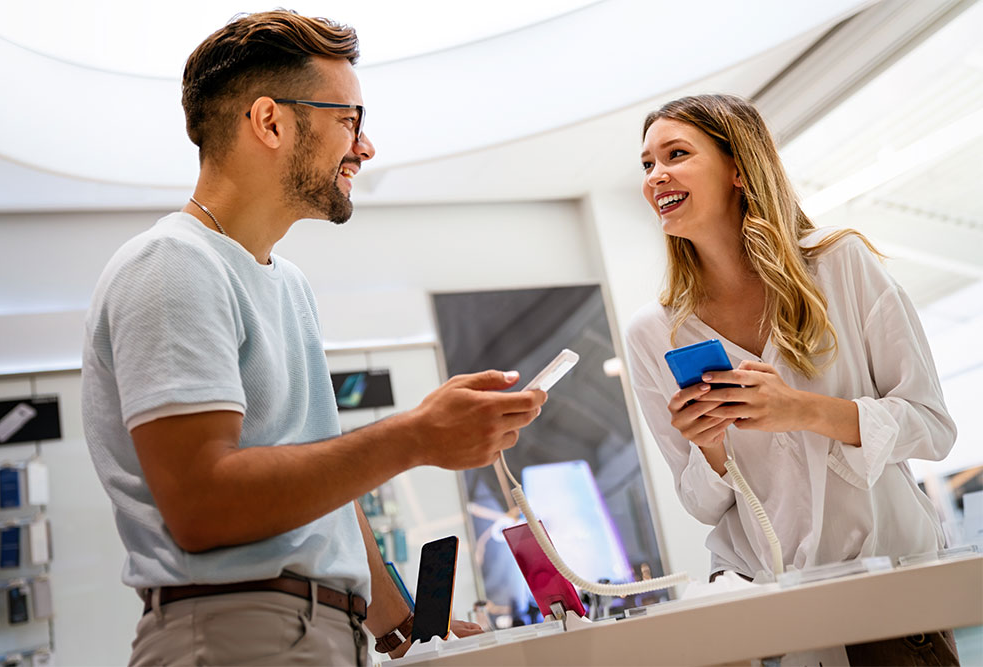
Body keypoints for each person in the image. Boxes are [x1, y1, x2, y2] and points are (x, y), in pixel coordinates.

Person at [80, 10, 546, 666]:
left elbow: (321, 497)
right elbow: (203, 502)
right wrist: (414, 436)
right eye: (349, 120)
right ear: (271, 121)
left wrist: (403, 625)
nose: (366, 146)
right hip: (236, 635)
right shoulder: (171, 264)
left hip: (318, 631)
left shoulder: (288, 284)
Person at [624, 94, 960, 665]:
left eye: (676, 154)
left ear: (738, 168)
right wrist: (708, 448)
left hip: (886, 601)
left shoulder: (841, 265)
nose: (657, 176)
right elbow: (703, 505)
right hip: (767, 624)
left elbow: (932, 428)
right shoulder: (653, 333)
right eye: (647, 164)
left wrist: (802, 409)